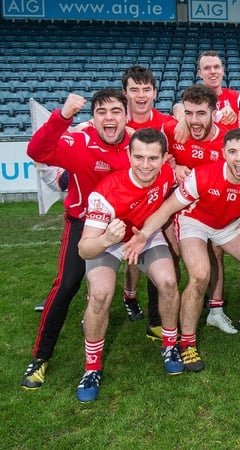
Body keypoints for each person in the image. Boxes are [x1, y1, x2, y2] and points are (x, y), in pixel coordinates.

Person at [125, 128, 240, 373]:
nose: (238, 158)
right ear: (223, 154)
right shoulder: (203, 175)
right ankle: (187, 342)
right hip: (193, 222)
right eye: (232, 152)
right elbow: (168, 208)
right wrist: (144, 234)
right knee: (199, 275)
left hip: (227, 225)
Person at [22, 89, 132, 391]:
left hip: (123, 226)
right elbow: (37, 152)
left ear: (125, 115)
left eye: (115, 111)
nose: (109, 118)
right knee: (67, 285)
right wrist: (63, 116)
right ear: (93, 117)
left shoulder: (136, 146)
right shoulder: (78, 142)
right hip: (83, 223)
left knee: (163, 273)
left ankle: (160, 330)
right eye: (101, 112)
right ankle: (41, 357)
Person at [76, 128, 182, 402]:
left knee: (169, 282)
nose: (146, 165)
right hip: (107, 241)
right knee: (99, 295)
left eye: (152, 158)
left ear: (163, 159)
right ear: (129, 155)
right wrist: (107, 239)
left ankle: (170, 345)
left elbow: (166, 207)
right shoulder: (106, 193)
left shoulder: (167, 174)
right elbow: (84, 249)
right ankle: (92, 368)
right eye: (139, 157)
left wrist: (145, 234)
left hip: (145, 234)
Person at [163, 85, 239, 334]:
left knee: (215, 255)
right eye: (189, 113)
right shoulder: (172, 130)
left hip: (214, 210)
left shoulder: (227, 139)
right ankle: (169, 313)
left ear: (213, 112)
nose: (194, 120)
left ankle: (215, 311)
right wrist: (173, 169)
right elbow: (149, 153)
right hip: (180, 211)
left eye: (201, 114)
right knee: (173, 259)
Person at [122, 64, 174, 337]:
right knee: (116, 260)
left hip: (154, 206)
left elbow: (182, 149)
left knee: (157, 258)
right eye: (134, 90)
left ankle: (156, 320)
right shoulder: (115, 123)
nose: (140, 95)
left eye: (146, 90)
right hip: (119, 205)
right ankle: (127, 296)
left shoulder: (166, 123)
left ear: (154, 93)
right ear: (125, 92)